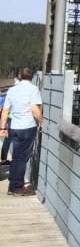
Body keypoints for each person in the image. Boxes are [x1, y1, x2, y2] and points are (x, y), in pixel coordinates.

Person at [0, 68, 42, 196]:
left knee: (16, 157)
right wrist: (41, 121)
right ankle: (17, 187)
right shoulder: (33, 89)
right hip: (27, 127)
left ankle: (12, 185)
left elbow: (5, 111)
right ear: (32, 77)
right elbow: (34, 109)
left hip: (14, 127)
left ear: (20, 76)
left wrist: (2, 128)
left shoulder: (12, 90)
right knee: (22, 158)